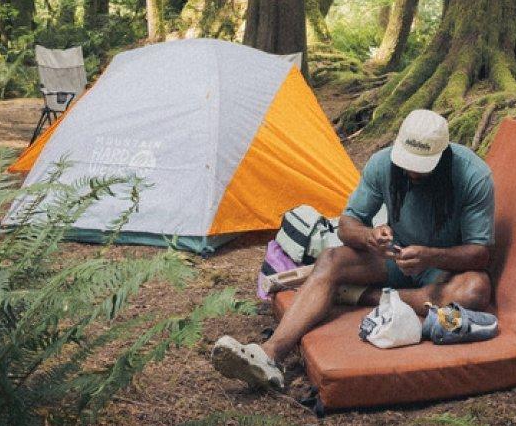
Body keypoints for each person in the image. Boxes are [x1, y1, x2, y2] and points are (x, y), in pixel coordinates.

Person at [211, 109, 496, 391]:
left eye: (421, 167)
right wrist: (369, 236)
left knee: (475, 290)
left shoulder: (473, 176)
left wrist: (430, 256)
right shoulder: (383, 164)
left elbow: (480, 253)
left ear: (443, 155)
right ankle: (269, 354)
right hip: (394, 256)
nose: (411, 172)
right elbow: (347, 225)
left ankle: (364, 296)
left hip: (442, 271)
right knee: (331, 259)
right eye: (407, 163)